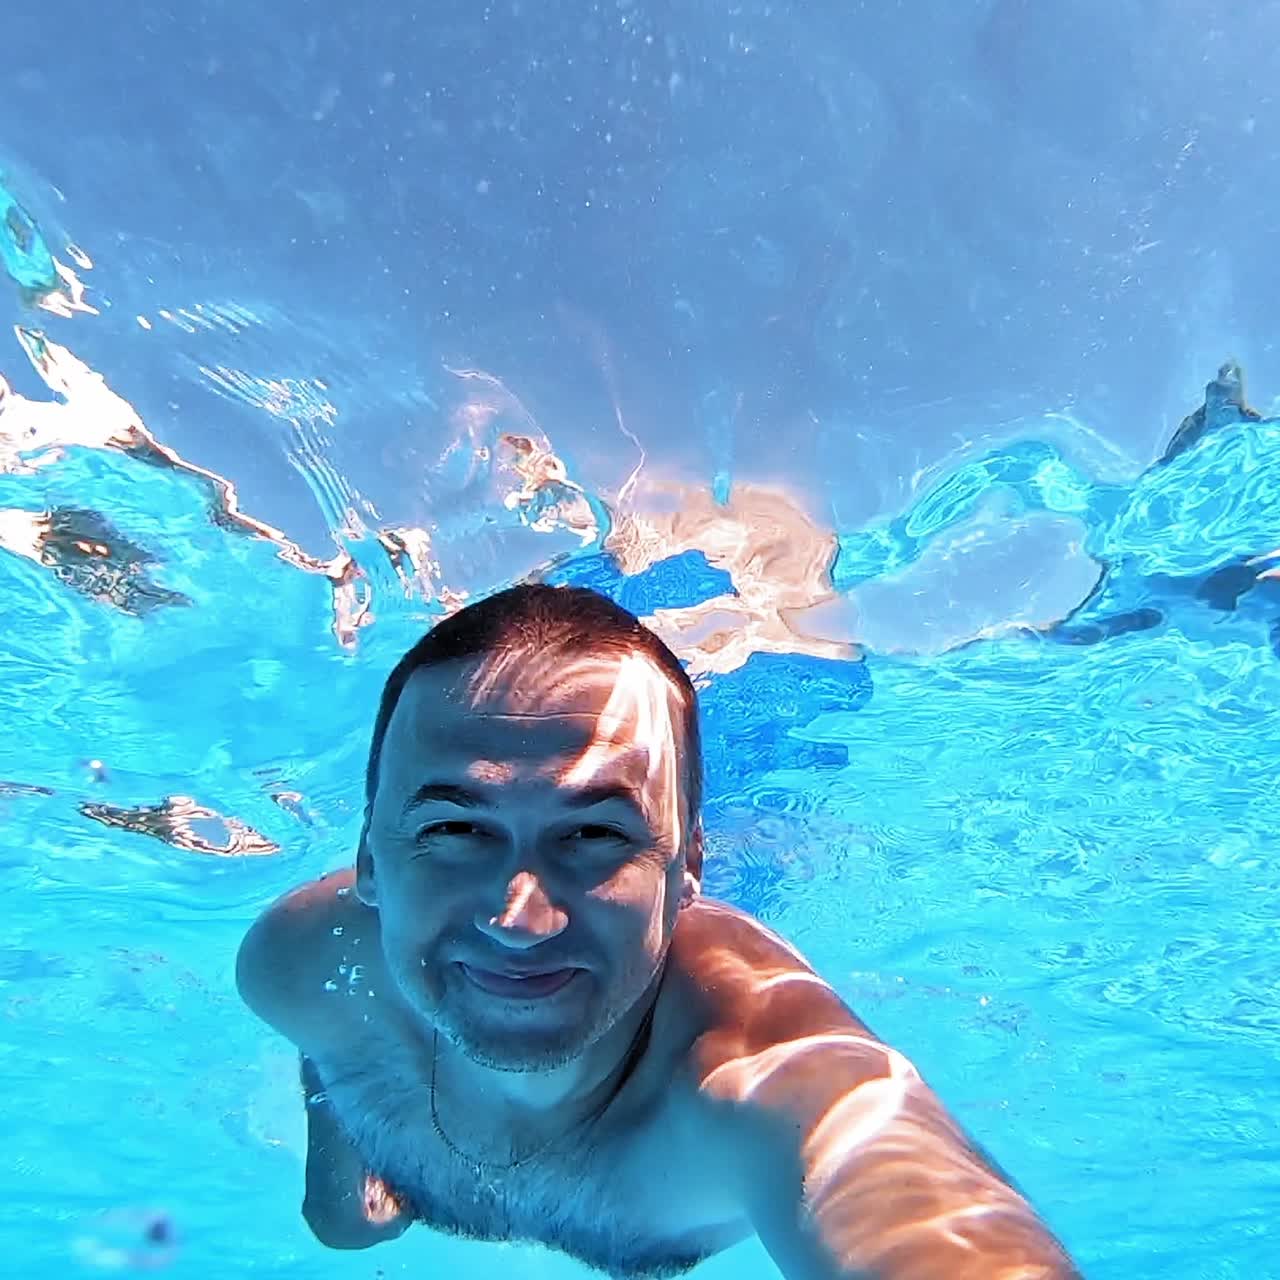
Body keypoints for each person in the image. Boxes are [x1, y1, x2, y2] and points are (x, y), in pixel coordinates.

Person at [236, 583, 1082, 1279]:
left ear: (686, 872)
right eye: (455, 832)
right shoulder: (300, 966)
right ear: (370, 866)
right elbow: (336, 1065)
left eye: (594, 835)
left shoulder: (764, 1084)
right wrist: (341, 1198)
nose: (519, 920)